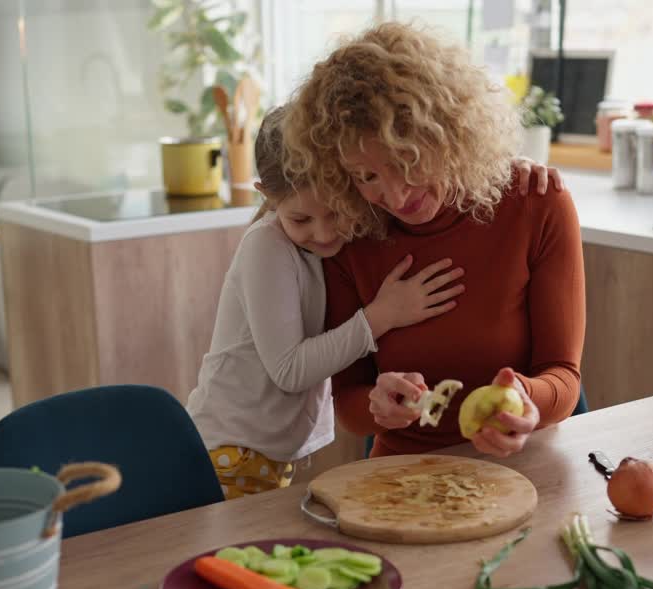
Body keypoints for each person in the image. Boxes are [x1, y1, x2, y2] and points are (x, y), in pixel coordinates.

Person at [282, 21, 585, 459]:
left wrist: (526, 398)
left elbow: (564, 378)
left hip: (521, 465)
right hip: (402, 474)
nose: (396, 195)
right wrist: (376, 404)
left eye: (407, 160)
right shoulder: (351, 230)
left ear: (447, 133)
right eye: (366, 176)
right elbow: (348, 402)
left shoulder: (536, 203)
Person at [185, 106, 465, 499]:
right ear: (266, 195)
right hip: (227, 453)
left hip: (266, 455)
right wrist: (382, 316)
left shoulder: (331, 242)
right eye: (302, 219)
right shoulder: (266, 246)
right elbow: (290, 370)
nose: (323, 233)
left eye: (336, 213)